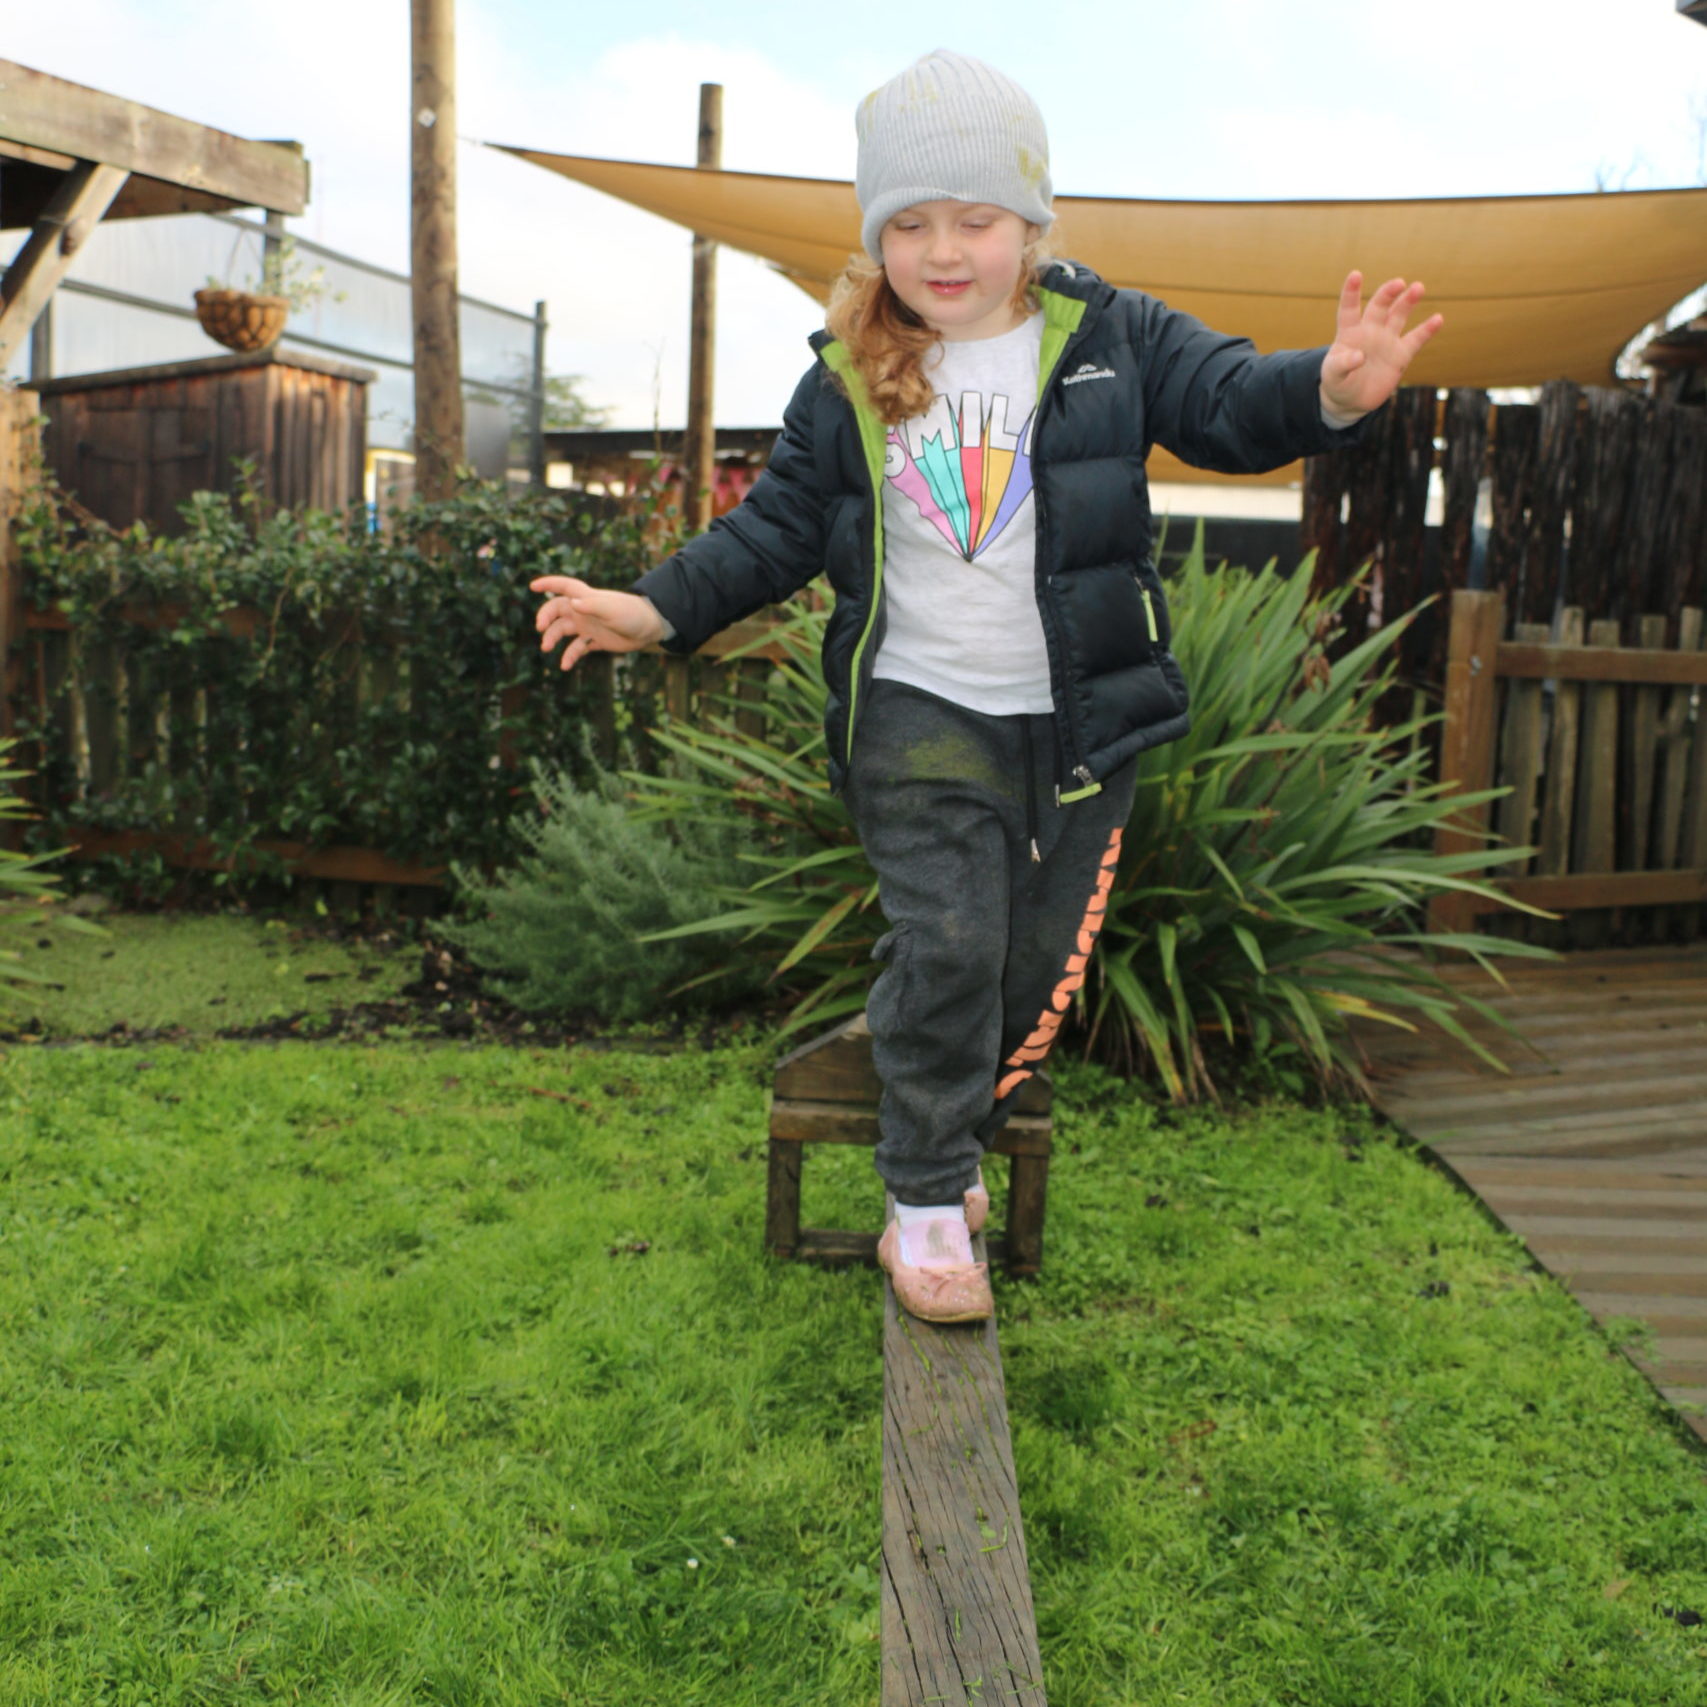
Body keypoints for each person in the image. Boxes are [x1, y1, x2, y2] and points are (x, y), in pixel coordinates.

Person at [531, 49, 1444, 1325]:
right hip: (918, 710)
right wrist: (654, 606)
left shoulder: (1111, 337)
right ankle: (921, 1197)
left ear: (1031, 224)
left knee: (1025, 971)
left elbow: (1233, 403)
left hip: (1077, 719)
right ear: (877, 236)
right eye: (909, 222)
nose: (943, 249)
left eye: (975, 219)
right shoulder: (848, 368)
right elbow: (774, 530)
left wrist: (1332, 389)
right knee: (953, 936)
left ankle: (942, 1114)